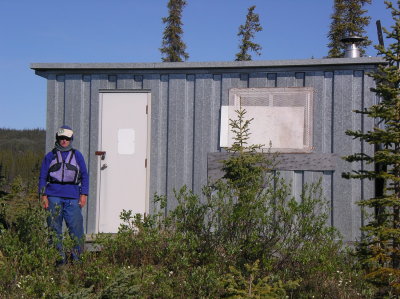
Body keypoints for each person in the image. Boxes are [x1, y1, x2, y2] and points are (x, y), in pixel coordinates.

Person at [38, 125, 89, 264]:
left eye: (67, 138)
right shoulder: (50, 156)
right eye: (61, 138)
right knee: (54, 230)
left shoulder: (77, 155)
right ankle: (59, 262)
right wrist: (43, 196)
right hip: (53, 196)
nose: (64, 141)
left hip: (73, 196)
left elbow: (84, 175)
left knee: (76, 230)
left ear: (71, 139)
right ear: (57, 138)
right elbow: (42, 177)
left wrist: (83, 194)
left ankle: (78, 262)